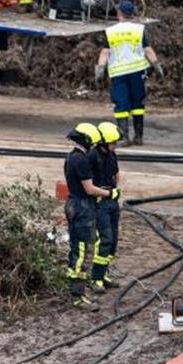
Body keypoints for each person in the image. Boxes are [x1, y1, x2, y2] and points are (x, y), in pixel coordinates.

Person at [95, 0, 164, 146]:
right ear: (132, 14)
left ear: (119, 12)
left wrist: (100, 70)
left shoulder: (111, 31)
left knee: (121, 104)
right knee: (138, 103)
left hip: (119, 72)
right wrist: (157, 66)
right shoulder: (138, 29)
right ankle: (138, 137)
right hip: (137, 71)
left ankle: (124, 136)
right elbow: (147, 49)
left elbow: (105, 52)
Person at [63, 123, 114, 310]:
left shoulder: (71, 157)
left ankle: (78, 292)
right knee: (81, 252)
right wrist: (109, 194)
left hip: (74, 204)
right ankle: (77, 296)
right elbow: (90, 188)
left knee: (78, 248)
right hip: (82, 207)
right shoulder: (82, 160)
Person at [88, 121, 123, 293]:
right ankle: (96, 279)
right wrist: (104, 193)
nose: (114, 146)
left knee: (113, 241)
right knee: (105, 239)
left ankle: (103, 274)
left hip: (112, 202)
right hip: (100, 202)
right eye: (113, 143)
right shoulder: (92, 156)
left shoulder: (111, 155)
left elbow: (116, 174)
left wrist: (114, 190)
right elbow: (88, 184)